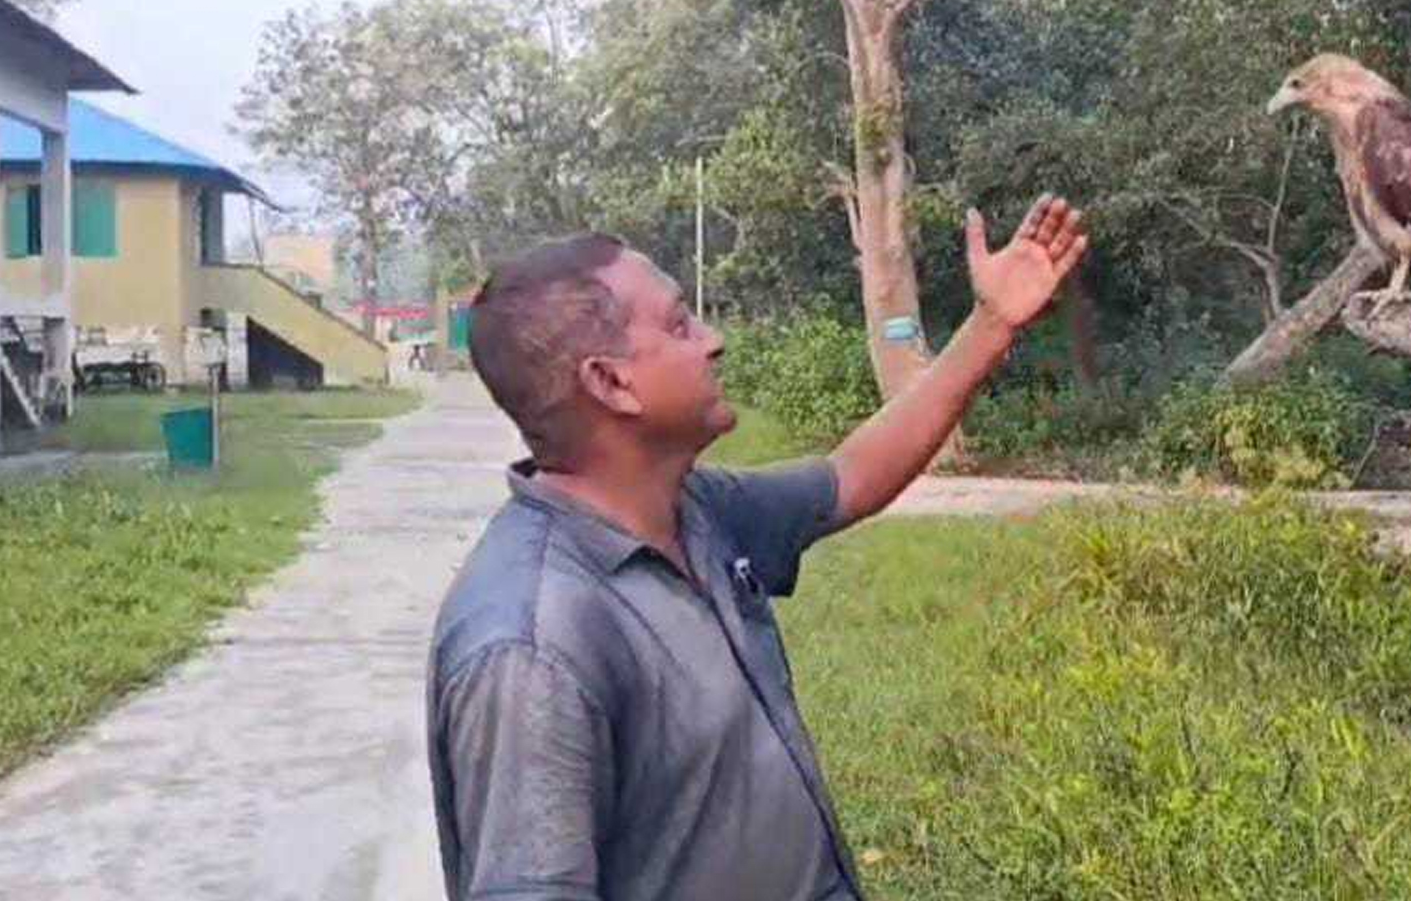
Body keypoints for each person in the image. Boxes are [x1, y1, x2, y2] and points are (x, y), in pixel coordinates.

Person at [427, 196, 1089, 901]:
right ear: (610, 383)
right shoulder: (534, 645)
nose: (712, 340)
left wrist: (992, 326)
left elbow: (850, 478)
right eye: (680, 324)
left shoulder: (695, 511)